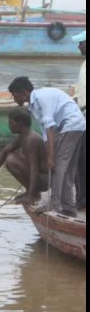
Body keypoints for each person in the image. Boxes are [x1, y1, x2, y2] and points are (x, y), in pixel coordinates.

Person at [8, 76, 86, 216]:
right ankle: (68, 207)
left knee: (59, 167)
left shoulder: (42, 97)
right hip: (73, 126)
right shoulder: (33, 106)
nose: (14, 99)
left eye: (14, 95)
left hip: (71, 125)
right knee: (68, 169)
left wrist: (51, 156)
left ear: (24, 92)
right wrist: (48, 152)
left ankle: (54, 203)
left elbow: (50, 127)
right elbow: (45, 133)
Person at [0, 109, 48, 205]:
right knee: (9, 156)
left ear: (20, 124)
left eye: (11, 123)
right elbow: (4, 152)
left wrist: (31, 196)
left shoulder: (31, 139)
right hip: (39, 177)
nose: (9, 125)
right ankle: (31, 192)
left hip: (45, 180)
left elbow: (34, 168)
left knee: (11, 160)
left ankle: (33, 194)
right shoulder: (23, 136)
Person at [69, 30, 86, 211]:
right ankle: (82, 197)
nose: (78, 46)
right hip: (82, 114)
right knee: (80, 158)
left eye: (81, 43)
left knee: (81, 158)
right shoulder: (83, 64)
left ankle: (82, 199)